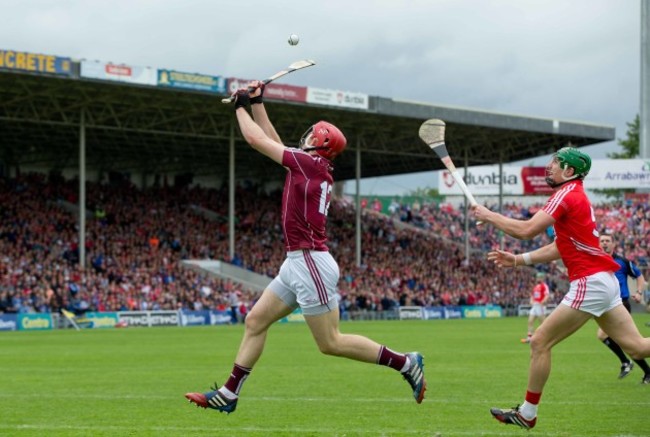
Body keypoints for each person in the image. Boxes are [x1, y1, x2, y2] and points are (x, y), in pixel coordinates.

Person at [184, 82, 426, 414]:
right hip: (297, 262)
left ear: (320, 141)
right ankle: (230, 393)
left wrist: (238, 105)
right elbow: (271, 140)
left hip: (310, 262)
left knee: (331, 343)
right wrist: (257, 101)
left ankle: (406, 362)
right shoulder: (308, 165)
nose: (306, 136)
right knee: (255, 321)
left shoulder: (307, 165)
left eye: (312, 134)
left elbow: (257, 140)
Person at [471, 147, 650, 430]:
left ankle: (528, 413)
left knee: (540, 341)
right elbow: (559, 246)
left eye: (557, 163)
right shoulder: (575, 195)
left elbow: (527, 230)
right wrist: (518, 260)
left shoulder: (566, 195)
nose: (549, 167)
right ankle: (528, 413)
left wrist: (490, 215)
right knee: (638, 347)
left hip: (590, 282)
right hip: (604, 281)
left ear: (569, 171)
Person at [598, 233, 650, 383]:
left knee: (624, 341)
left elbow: (639, 276)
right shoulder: (595, 261)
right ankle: (637, 367)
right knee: (614, 339)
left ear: (613, 244)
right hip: (605, 306)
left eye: (608, 241)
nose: (605, 243)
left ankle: (628, 363)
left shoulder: (623, 261)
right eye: (602, 241)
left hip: (620, 304)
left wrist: (639, 292)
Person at [521, 272, 550, 344]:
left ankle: (545, 338)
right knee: (530, 321)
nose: (538, 278)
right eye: (537, 277)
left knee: (543, 323)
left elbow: (547, 295)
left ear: (542, 278)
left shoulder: (544, 286)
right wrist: (531, 301)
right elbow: (532, 295)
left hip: (540, 306)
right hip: (535, 305)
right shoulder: (536, 286)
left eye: (540, 277)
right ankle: (529, 338)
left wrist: (543, 302)